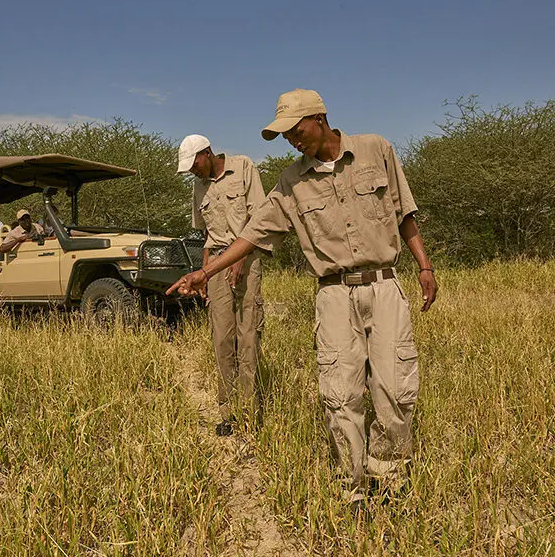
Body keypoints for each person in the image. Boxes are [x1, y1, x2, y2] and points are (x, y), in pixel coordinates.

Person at [168, 90, 438, 506]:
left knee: (394, 387)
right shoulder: (291, 182)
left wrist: (424, 266)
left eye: (297, 130)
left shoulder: (376, 149)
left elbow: (406, 213)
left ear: (319, 118)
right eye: (286, 136)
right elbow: (252, 233)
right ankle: (353, 486)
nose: (293, 140)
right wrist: (205, 271)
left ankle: (389, 477)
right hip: (332, 294)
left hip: (385, 285)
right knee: (340, 392)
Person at [177, 134, 267, 436]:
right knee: (222, 339)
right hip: (216, 264)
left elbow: (260, 219)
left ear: (207, 152)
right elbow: (207, 235)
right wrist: (204, 273)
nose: (193, 171)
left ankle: (249, 413)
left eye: (194, 164)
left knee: (248, 335)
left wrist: (239, 258)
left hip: (247, 257)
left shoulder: (243, 168)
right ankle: (228, 412)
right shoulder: (199, 187)